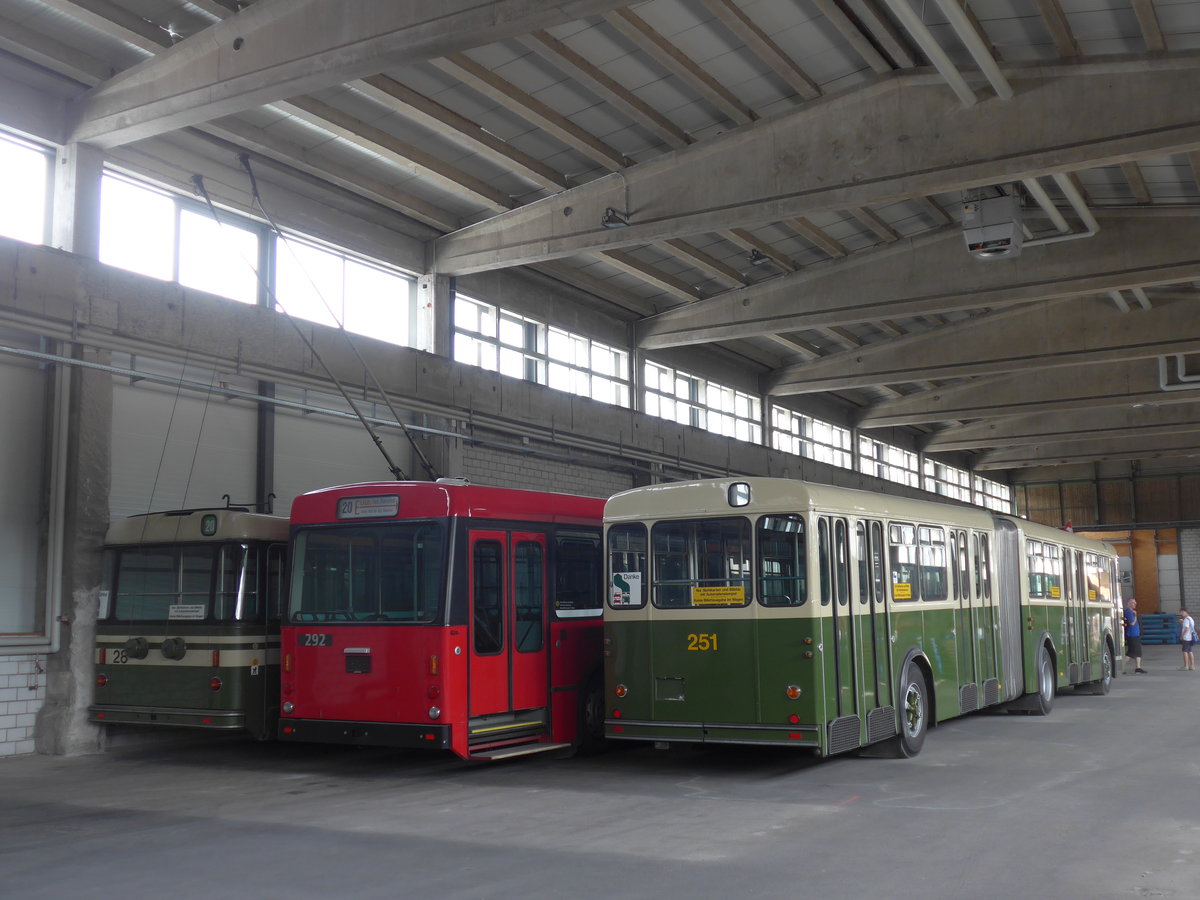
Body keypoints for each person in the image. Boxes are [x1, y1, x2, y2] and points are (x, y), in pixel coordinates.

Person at [1124, 598, 1146, 674]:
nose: (1135, 604)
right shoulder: (1129, 612)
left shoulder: (1131, 612)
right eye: (1133, 603)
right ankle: (1121, 667)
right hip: (1132, 635)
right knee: (1131, 652)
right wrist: (1135, 615)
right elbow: (1132, 623)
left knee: (1138, 652)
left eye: (1135, 603)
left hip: (1135, 634)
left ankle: (1138, 668)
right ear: (1129, 603)